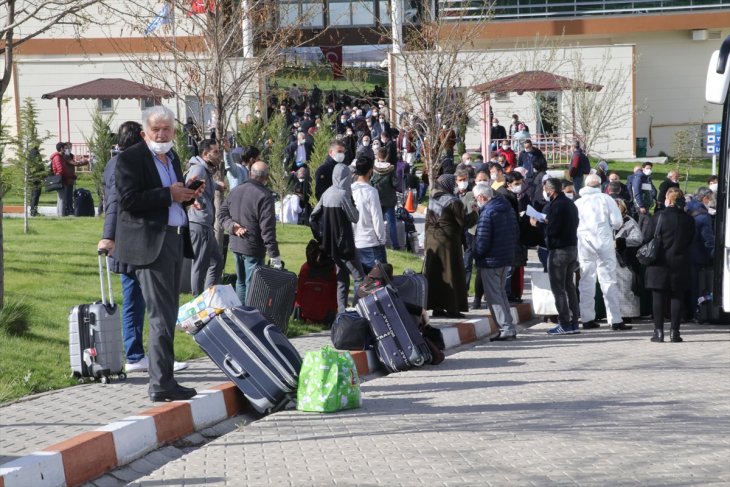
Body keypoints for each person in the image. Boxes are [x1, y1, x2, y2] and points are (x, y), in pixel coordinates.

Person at [114, 106, 203, 401]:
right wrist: (169, 195)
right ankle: (161, 384)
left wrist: (187, 197)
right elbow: (127, 200)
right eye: (156, 129)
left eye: (167, 129)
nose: (162, 135)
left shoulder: (173, 157)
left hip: (176, 240)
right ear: (144, 132)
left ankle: (165, 379)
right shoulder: (130, 158)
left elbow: (174, 198)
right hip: (151, 244)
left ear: (174, 132)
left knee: (168, 313)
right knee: (161, 317)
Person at [218, 161, 282, 304]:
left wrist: (232, 226)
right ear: (267, 177)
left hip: (236, 244)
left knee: (241, 283)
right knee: (252, 285)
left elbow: (221, 214)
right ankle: (248, 317)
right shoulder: (264, 195)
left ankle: (241, 314)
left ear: (250, 174)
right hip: (253, 246)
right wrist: (274, 255)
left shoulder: (236, 190)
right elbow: (268, 228)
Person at [574, 174, 629, 331]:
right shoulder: (606, 199)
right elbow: (618, 222)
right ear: (599, 185)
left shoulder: (578, 202)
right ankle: (615, 320)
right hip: (604, 242)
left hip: (584, 243)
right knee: (608, 281)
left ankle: (587, 318)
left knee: (586, 281)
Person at [310, 164, 364, 313]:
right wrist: (353, 204)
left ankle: (341, 311)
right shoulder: (343, 195)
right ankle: (358, 309)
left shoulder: (327, 193)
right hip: (344, 244)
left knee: (342, 278)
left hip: (330, 245)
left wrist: (320, 235)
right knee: (359, 278)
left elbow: (312, 217)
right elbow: (355, 217)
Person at [644, 188, 695, 342]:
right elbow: (690, 240)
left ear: (668, 199)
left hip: (659, 262)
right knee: (677, 297)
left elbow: (647, 237)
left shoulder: (659, 216)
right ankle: (675, 332)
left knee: (658, 297)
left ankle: (658, 332)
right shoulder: (688, 219)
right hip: (680, 262)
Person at [425, 174, 478, 318]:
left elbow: (428, 223)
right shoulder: (454, 201)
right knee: (451, 273)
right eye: (454, 183)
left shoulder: (433, 199)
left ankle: (436, 307)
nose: (456, 185)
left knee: (436, 275)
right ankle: (452, 307)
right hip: (448, 242)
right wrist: (475, 213)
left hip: (433, 241)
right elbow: (464, 223)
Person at [534, 178, 581, 335]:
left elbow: (552, 230)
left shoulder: (556, 205)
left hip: (559, 251)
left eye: (546, 190)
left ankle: (565, 323)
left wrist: (539, 224)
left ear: (551, 190)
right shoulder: (570, 204)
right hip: (572, 248)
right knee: (570, 286)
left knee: (558, 289)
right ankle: (574, 322)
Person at [473, 183, 519, 339]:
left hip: (491, 260)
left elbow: (482, 241)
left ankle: (506, 328)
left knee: (494, 296)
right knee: (500, 293)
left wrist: (476, 254)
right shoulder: (508, 209)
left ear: (481, 197)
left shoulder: (488, 213)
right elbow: (515, 232)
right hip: (506, 257)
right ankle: (509, 326)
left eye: (476, 198)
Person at [186, 139, 225, 296]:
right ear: (205, 154)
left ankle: (209, 297)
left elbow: (202, 184)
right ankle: (197, 302)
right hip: (199, 223)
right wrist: (194, 201)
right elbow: (189, 186)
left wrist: (216, 185)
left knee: (216, 261)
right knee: (200, 265)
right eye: (215, 152)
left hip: (205, 223)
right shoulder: (199, 169)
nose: (218, 156)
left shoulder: (204, 170)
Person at [351, 156, 387, 274]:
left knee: (360, 282)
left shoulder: (350, 190)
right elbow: (377, 218)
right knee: (378, 282)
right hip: (370, 242)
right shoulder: (371, 192)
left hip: (355, 241)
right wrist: (382, 239)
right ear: (370, 171)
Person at [685, 188, 715, 321]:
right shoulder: (704, 216)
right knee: (697, 286)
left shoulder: (687, 207)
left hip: (684, 253)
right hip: (698, 255)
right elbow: (707, 240)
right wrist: (714, 255)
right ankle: (696, 312)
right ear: (705, 199)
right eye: (710, 199)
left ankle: (686, 312)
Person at [613, 199, 643, 320]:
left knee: (625, 288)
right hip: (611, 261)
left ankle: (628, 314)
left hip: (625, 260)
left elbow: (638, 238)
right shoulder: (607, 222)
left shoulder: (629, 222)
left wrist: (621, 241)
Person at [371, 147, 399, 250]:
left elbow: (371, 182)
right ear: (387, 156)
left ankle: (376, 242)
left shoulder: (374, 168)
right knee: (392, 223)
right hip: (389, 200)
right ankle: (395, 245)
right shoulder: (391, 169)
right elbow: (395, 183)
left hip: (376, 199)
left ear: (377, 156)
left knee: (376, 222)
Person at [51, 141, 85, 216]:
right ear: (62, 148)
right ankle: (63, 213)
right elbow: (61, 170)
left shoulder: (67, 155)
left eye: (70, 147)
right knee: (63, 198)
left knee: (66, 197)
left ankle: (64, 212)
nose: (69, 149)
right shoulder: (61, 157)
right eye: (66, 147)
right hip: (64, 179)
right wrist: (70, 175)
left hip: (68, 178)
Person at [632, 162, 657, 227]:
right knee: (643, 223)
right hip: (642, 205)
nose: (649, 170)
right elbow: (637, 192)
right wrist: (641, 206)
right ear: (643, 168)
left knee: (644, 223)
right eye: (647, 168)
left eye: (650, 168)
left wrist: (653, 197)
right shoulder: (639, 178)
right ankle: (640, 236)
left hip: (647, 204)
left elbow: (651, 189)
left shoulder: (647, 178)